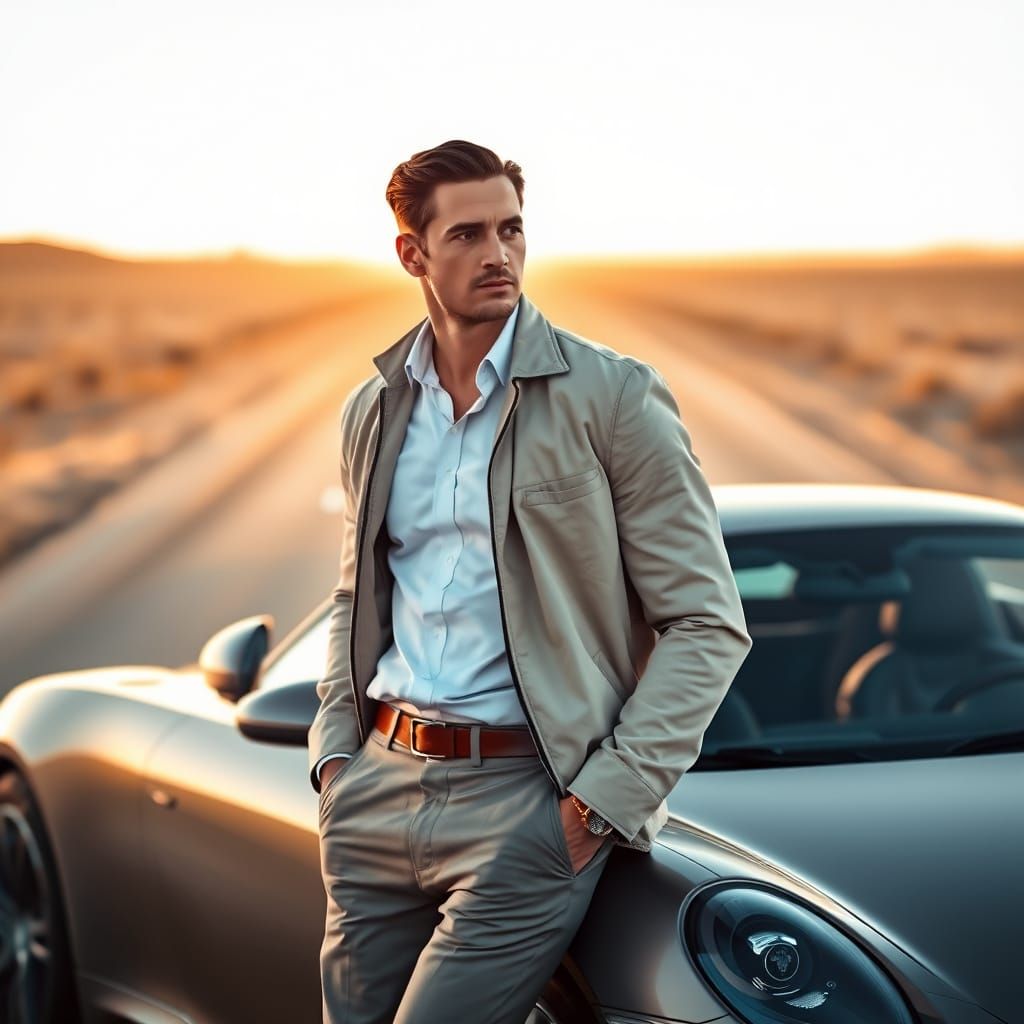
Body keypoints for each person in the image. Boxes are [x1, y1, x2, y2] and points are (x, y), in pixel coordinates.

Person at [309, 138, 753, 1024]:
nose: (498, 254)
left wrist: (602, 804)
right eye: (467, 234)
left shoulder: (613, 397)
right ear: (412, 253)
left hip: (527, 802)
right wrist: (334, 755)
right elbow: (360, 596)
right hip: (377, 791)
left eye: (512, 229)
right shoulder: (377, 407)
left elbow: (707, 622)